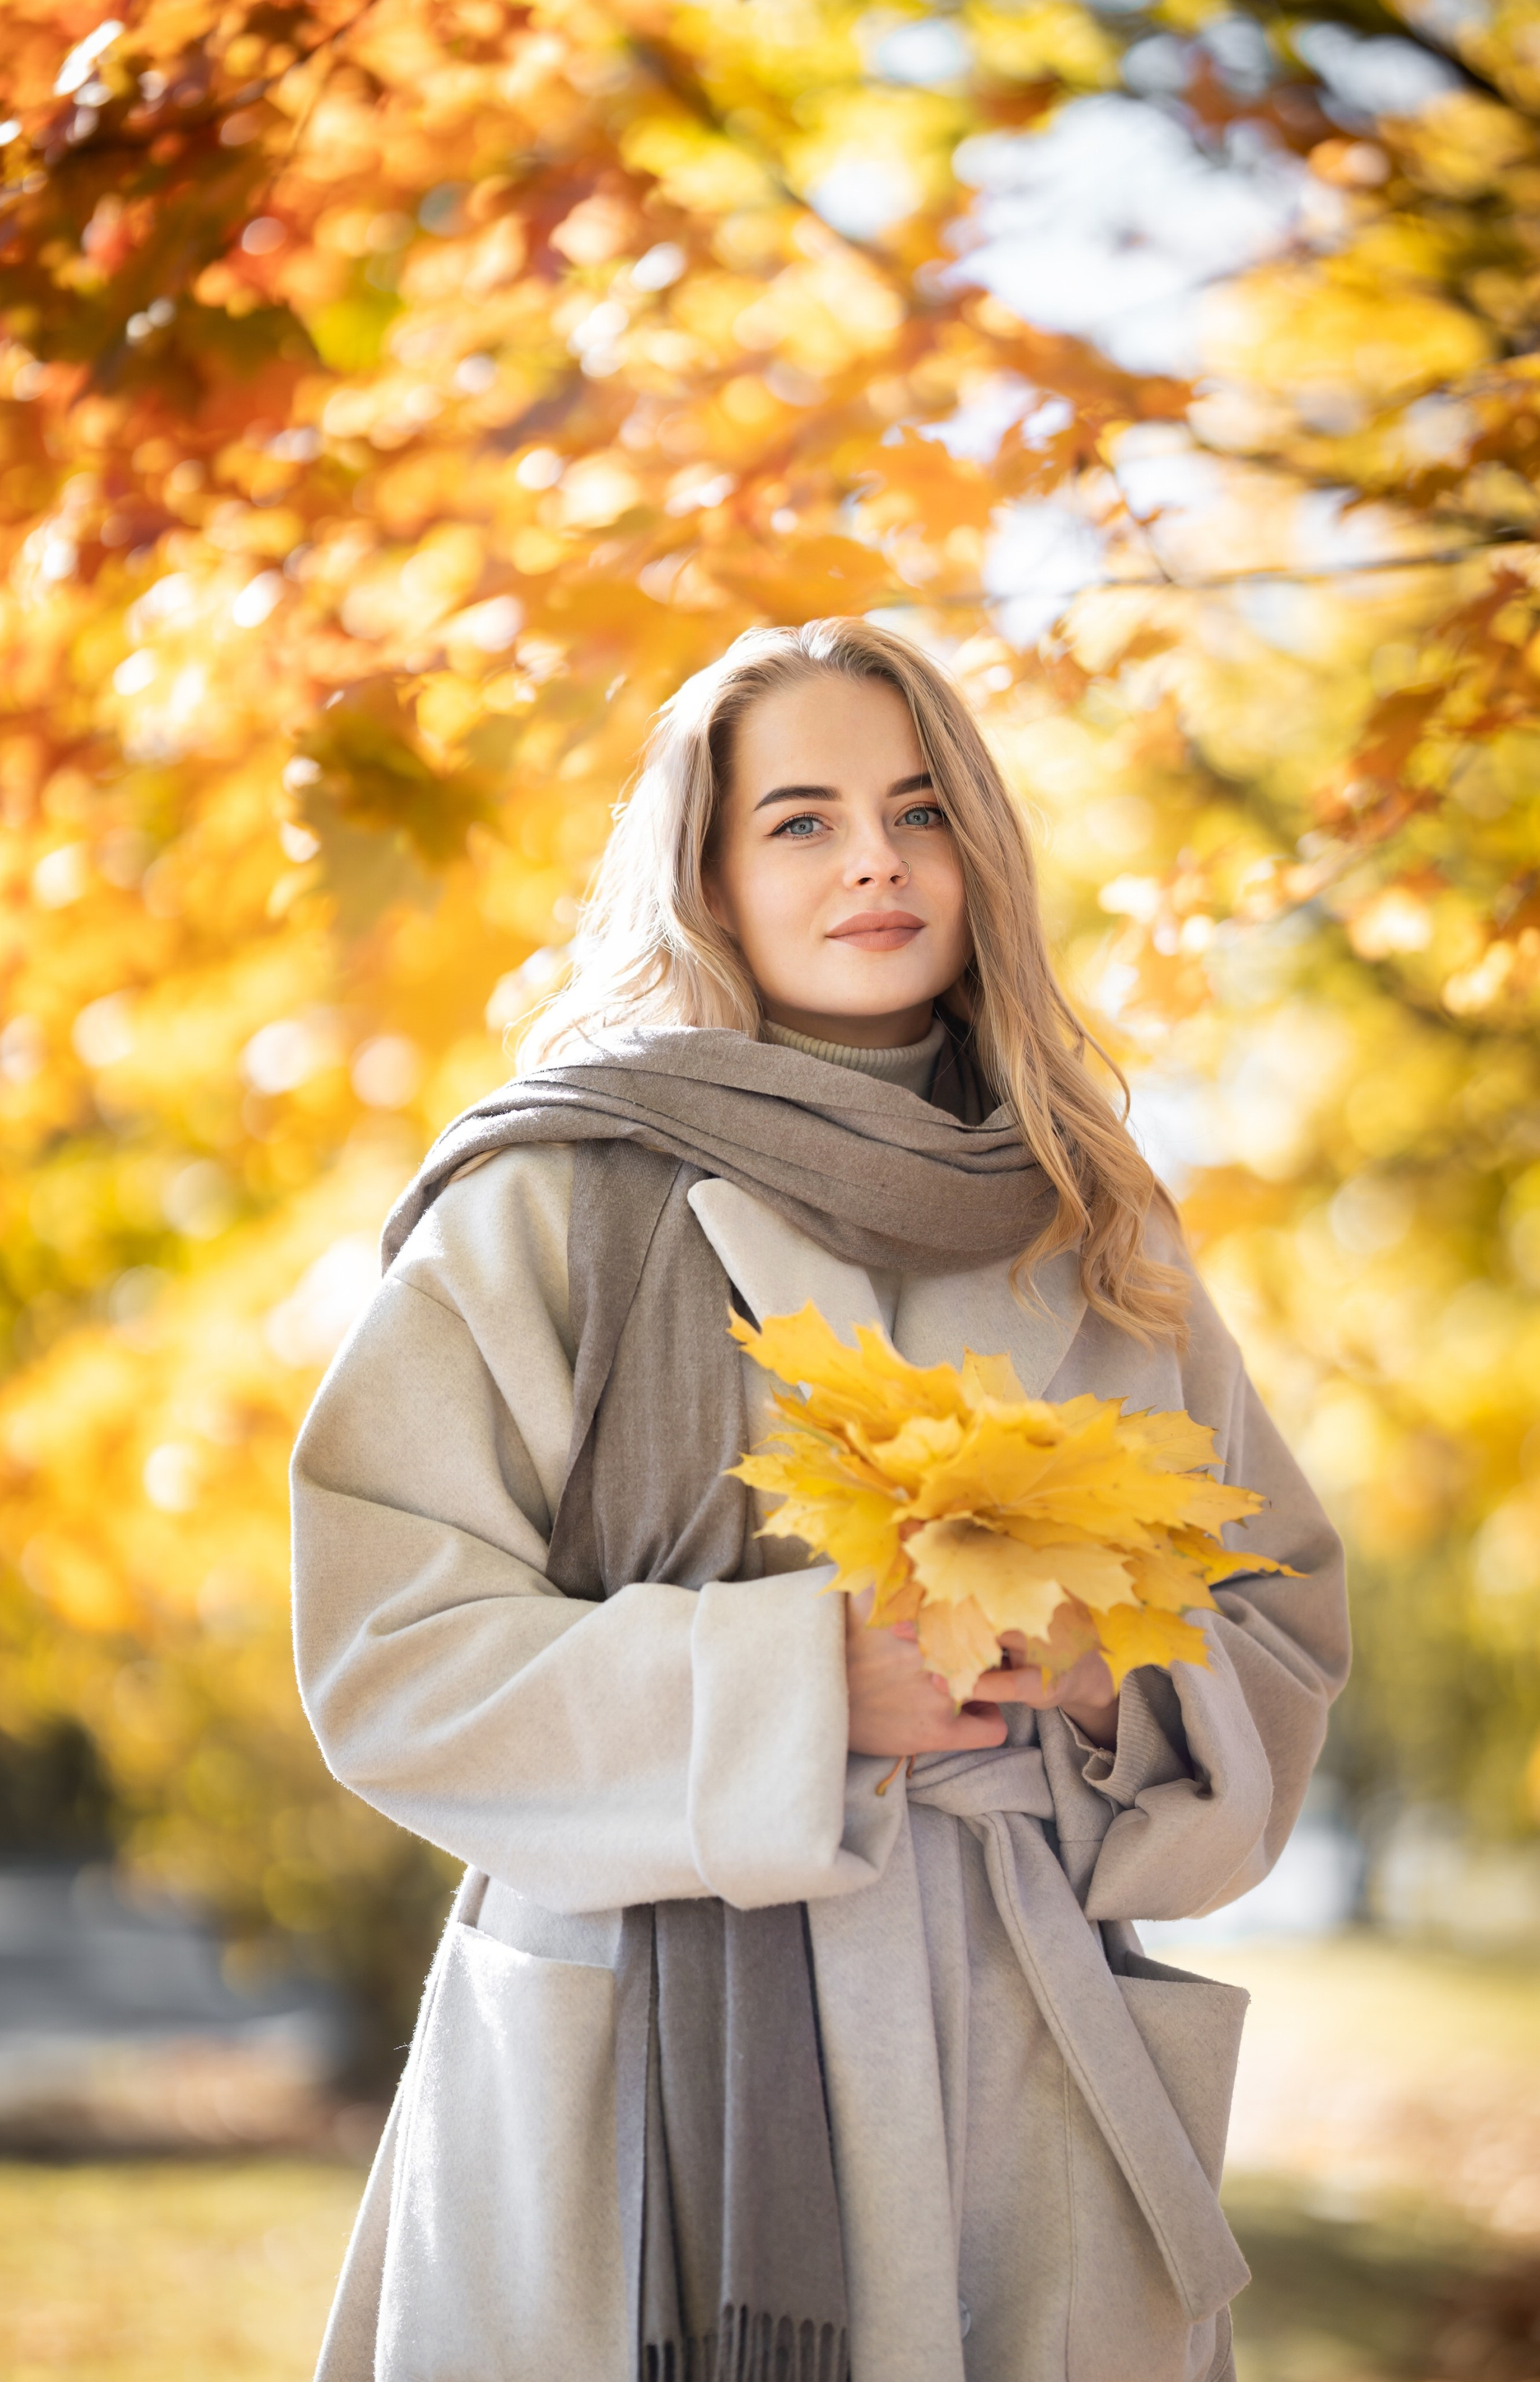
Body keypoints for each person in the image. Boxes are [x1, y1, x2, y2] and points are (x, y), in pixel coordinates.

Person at [292, 617, 1348, 2382]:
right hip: (631, 2045)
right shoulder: (549, 1199)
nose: (875, 858)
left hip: (1017, 2049)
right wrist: (796, 1692)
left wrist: (1114, 1680)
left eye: (920, 809)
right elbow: (391, 1663)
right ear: (704, 872)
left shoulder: (1101, 1231)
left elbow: (1277, 1625)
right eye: (801, 817)